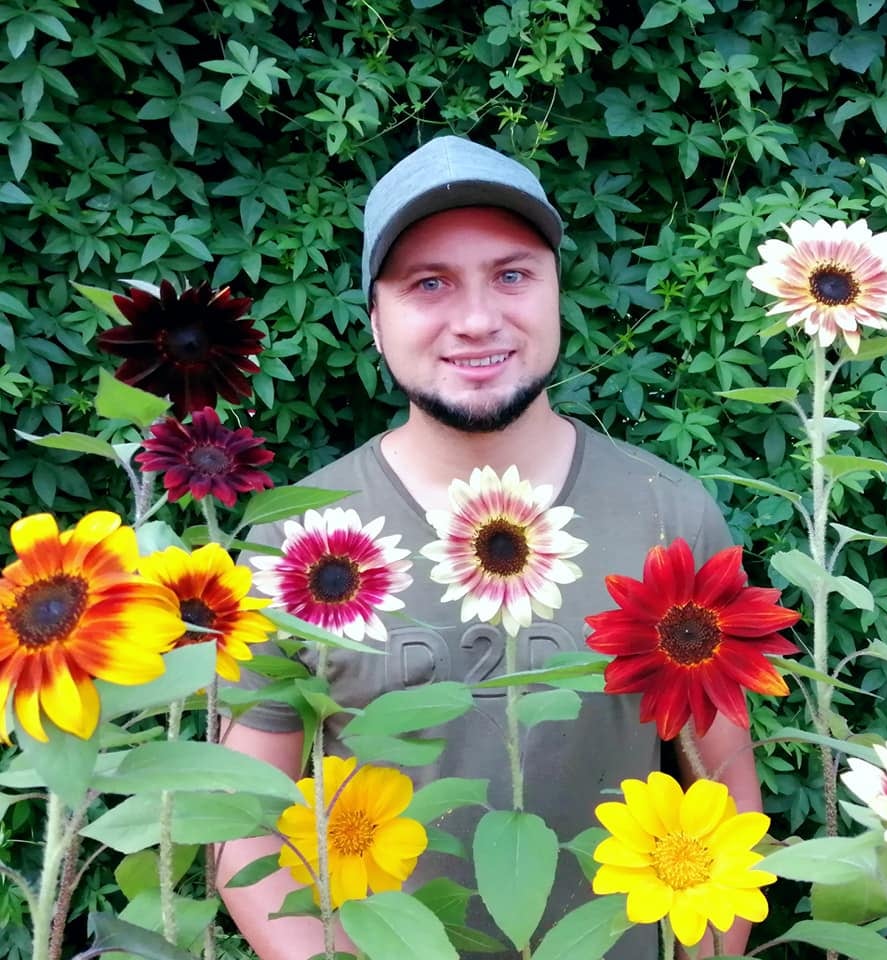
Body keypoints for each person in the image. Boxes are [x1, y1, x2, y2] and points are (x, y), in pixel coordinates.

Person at [217, 136, 762, 959]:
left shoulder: (667, 516)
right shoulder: (296, 540)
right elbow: (244, 824)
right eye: (428, 284)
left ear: (556, 294)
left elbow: (725, 792)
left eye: (511, 276)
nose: (476, 320)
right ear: (375, 322)